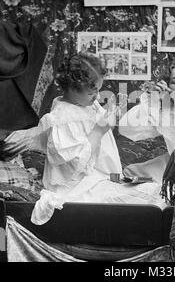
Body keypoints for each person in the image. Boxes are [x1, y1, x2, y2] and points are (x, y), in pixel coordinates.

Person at [3, 53, 166, 225]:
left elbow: (100, 121)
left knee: (156, 191)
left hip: (99, 178)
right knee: (150, 199)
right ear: (73, 89)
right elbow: (75, 166)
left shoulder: (86, 104)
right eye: (91, 92)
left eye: (98, 89)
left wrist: (117, 112)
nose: (97, 96)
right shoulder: (62, 117)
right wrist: (98, 130)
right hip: (78, 189)